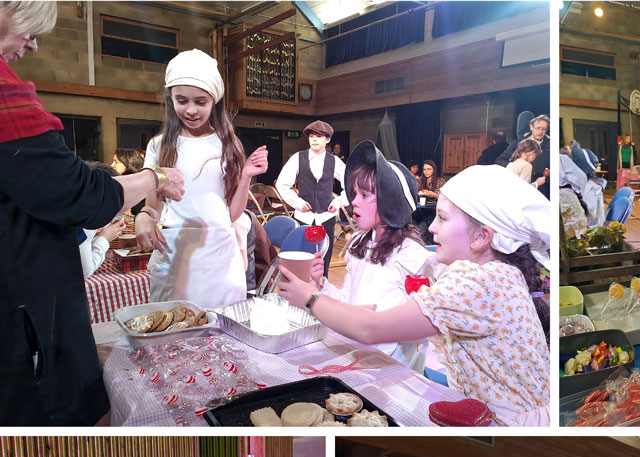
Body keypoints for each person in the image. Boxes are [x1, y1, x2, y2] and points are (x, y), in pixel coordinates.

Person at [0, 0, 185, 425]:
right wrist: (151, 187)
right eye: (31, 30)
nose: (32, 46)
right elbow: (79, 194)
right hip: (23, 310)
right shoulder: (159, 148)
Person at [276, 164, 552, 426]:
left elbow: (371, 327)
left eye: (442, 219)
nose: (431, 227)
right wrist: (321, 288)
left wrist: (311, 299)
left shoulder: (477, 282)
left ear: (481, 237)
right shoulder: (499, 273)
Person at [137, 49, 267, 307]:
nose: (191, 110)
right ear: (170, 98)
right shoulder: (159, 146)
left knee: (220, 333)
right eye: (182, 100)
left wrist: (245, 178)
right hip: (175, 254)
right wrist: (143, 217)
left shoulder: (227, 145)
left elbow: (230, 215)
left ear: (214, 101)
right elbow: (152, 206)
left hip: (219, 256)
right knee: (174, 329)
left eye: (201, 102)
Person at [315, 140, 435, 371]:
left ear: (391, 201)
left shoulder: (412, 256)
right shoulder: (359, 243)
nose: (354, 202)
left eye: (364, 194)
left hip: (391, 371)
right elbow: (349, 300)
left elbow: (417, 334)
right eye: (355, 193)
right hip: (356, 355)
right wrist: (321, 284)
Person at [275, 119, 347, 278]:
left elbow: (352, 184)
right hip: (304, 217)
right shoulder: (298, 158)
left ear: (327, 139)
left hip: (326, 216)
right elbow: (282, 184)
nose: (314, 139)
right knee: (302, 258)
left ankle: (323, 292)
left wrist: (338, 202)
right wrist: (297, 203)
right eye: (312, 136)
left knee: (324, 259)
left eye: (319, 136)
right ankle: (301, 293)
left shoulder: (334, 161)